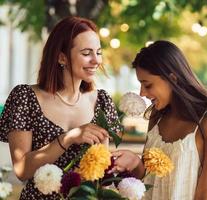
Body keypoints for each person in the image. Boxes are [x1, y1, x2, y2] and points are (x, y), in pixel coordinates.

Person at [0, 16, 121, 199]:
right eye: (87, 53)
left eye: (98, 52)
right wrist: (69, 138)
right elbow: (22, 169)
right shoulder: (25, 97)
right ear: (61, 57)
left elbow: (101, 170)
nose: (96, 60)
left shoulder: (102, 102)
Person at [111, 40, 207, 200]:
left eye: (148, 85)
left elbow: (205, 195)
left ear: (172, 78)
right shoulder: (157, 116)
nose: (142, 93)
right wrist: (135, 163)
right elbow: (149, 178)